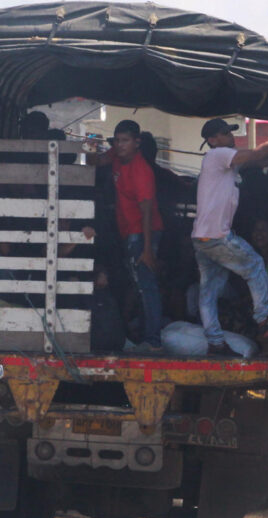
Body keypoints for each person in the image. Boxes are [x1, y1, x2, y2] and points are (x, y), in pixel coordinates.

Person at [192, 115, 268, 357]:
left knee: (209, 292)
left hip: (202, 238)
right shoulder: (218, 155)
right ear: (212, 140)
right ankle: (264, 319)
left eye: (230, 132)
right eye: (224, 133)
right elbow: (255, 155)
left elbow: (254, 162)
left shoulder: (220, 163)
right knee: (254, 264)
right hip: (217, 236)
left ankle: (215, 342)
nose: (230, 136)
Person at [89, 120, 164, 353]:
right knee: (138, 286)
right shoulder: (116, 156)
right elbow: (96, 161)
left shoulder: (142, 171)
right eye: (117, 140)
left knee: (146, 286)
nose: (120, 145)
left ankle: (153, 341)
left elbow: (147, 211)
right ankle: (144, 336)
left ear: (137, 142)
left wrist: (148, 249)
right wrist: (91, 149)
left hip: (142, 233)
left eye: (125, 141)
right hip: (129, 232)